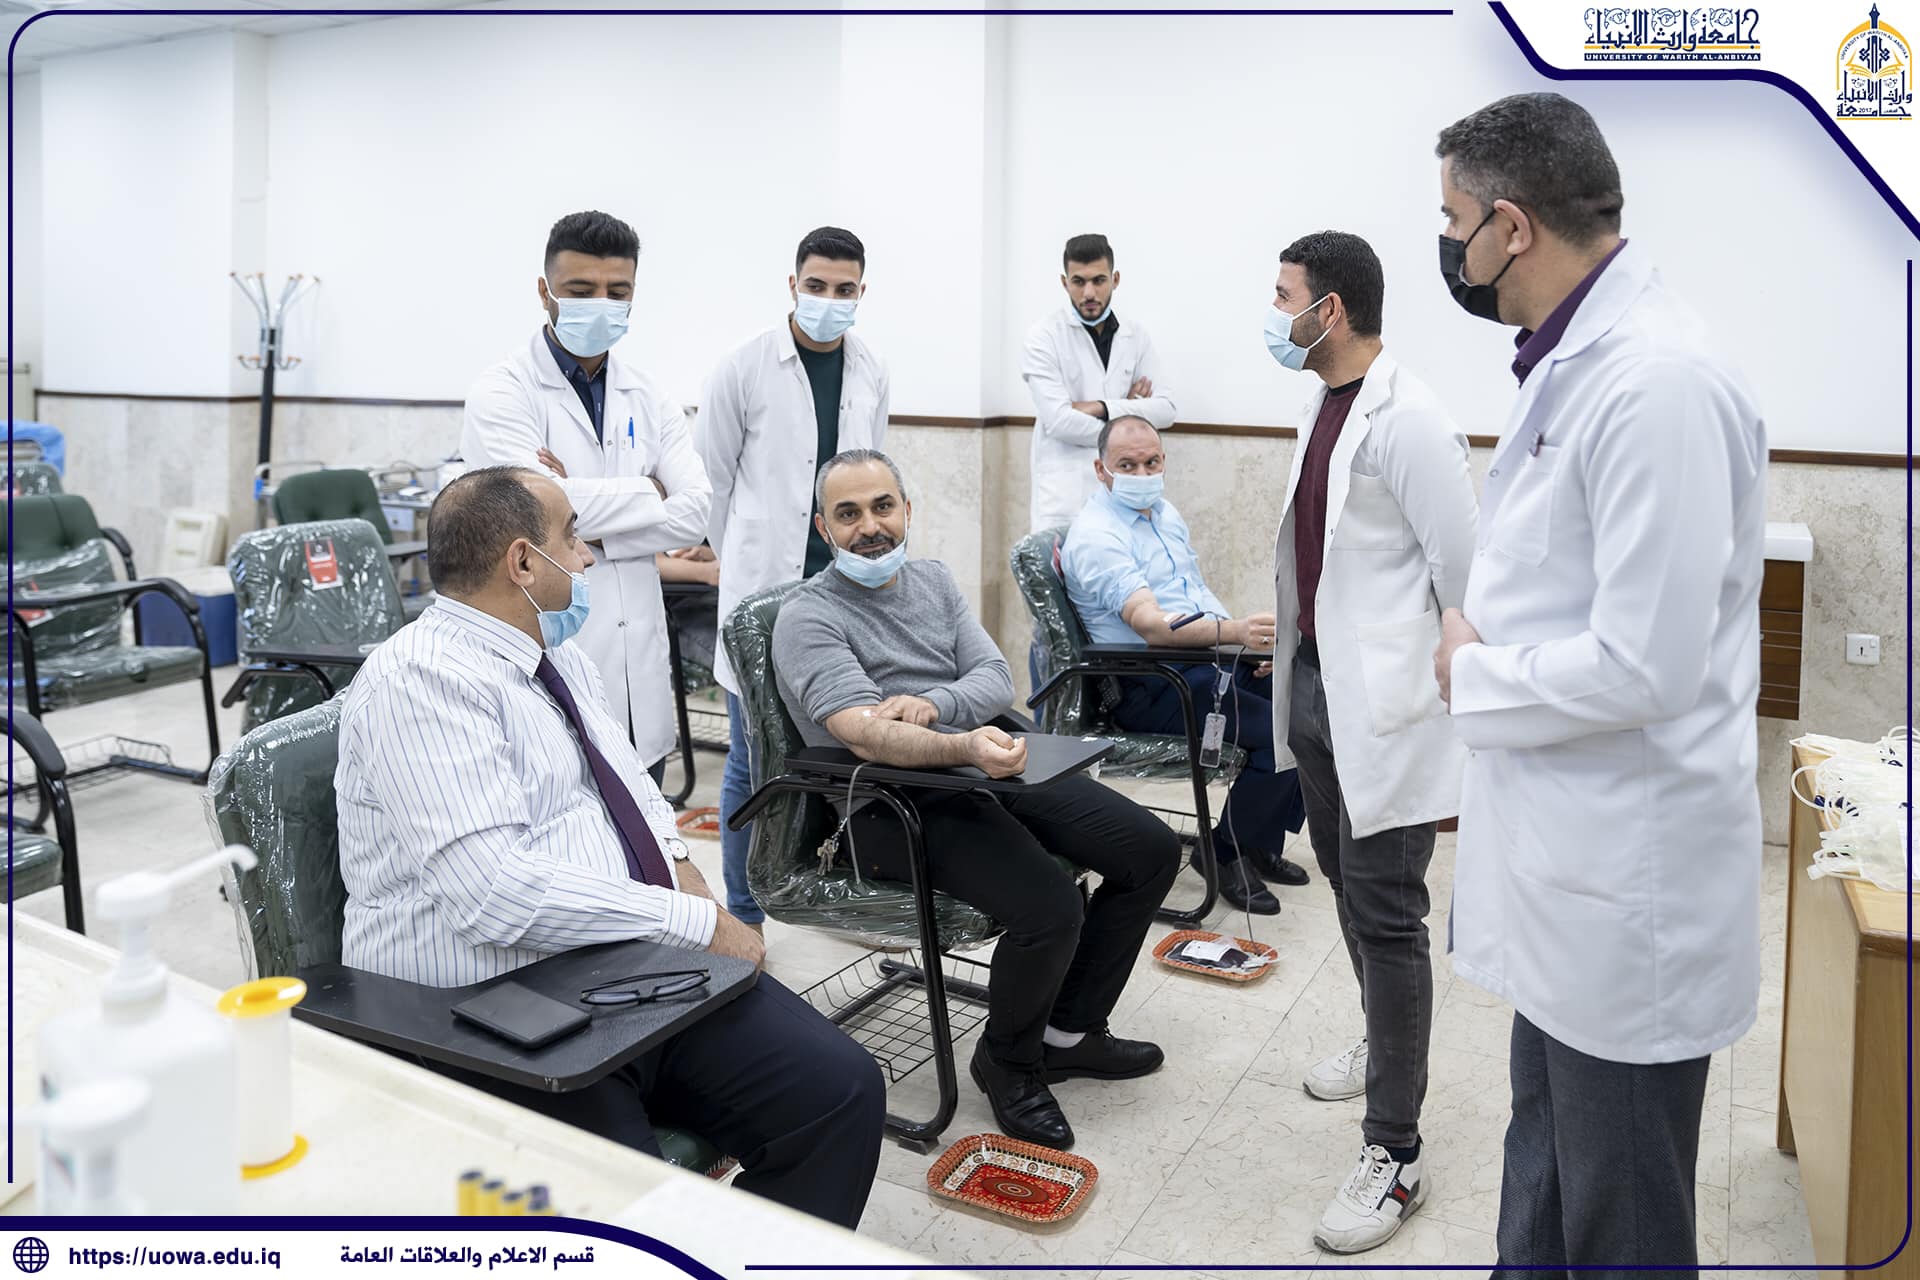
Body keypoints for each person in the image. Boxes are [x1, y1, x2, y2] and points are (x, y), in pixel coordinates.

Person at [334, 466, 884, 1228]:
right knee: (631, 1211)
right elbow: (495, 895)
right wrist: (692, 923)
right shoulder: (420, 682)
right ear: (523, 562)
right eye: (573, 539)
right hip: (487, 1004)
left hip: (612, 962)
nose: (587, 556)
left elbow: (632, 788)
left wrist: (684, 873)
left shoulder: (555, 657)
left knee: (841, 1090)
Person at [1430, 93, 1765, 1275]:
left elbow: (1646, 663)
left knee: (1619, 1214)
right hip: (1568, 875)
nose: (1449, 246)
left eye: (1453, 221)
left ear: (1512, 227)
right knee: (1545, 1162)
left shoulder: (1655, 380)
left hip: (1627, 896)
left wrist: (1471, 669)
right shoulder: (1572, 359)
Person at [772, 448, 1175, 1152]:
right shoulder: (808, 616)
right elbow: (864, 734)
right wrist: (960, 739)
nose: (870, 527)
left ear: (906, 509)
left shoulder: (931, 579)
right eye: (848, 514)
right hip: (890, 805)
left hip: (979, 765)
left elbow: (993, 676)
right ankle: (1008, 1063)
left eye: (883, 506)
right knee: (1050, 907)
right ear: (823, 528)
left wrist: (932, 707)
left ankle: (1068, 1032)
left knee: (1151, 851)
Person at [1261, 231, 1479, 1252]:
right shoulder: (1325, 403)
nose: (1275, 316)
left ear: (1331, 309)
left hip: (1385, 708)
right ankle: (1380, 1040)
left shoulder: (1413, 417)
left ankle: (1396, 1152)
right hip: (1316, 691)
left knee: (1388, 915)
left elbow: (1463, 575)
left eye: (1284, 297)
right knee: (1347, 886)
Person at [461, 210, 711, 782]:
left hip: (638, 670)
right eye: (580, 291)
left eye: (616, 292)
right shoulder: (502, 392)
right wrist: (651, 489)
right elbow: (527, 515)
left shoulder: (649, 394)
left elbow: (695, 512)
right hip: (545, 654)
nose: (601, 304)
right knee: (561, 807)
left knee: (644, 811)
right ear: (544, 291)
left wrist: (574, 510)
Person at [699, 226, 890, 934]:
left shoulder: (871, 368)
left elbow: (871, 477)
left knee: (839, 752)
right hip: (762, 595)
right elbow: (712, 483)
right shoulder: (744, 366)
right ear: (792, 284)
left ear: (862, 292)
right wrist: (742, 562)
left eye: (844, 290)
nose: (829, 300)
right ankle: (744, 914)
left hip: (842, 595)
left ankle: (825, 888)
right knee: (752, 759)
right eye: (816, 286)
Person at [1058, 417, 1309, 914]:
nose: (1142, 473)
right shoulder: (1096, 537)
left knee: (1306, 703)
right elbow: (1151, 626)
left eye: (1151, 462)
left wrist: (1245, 652)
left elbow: (1196, 595)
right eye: (1127, 465)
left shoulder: (1164, 514)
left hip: (1200, 663)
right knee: (1284, 731)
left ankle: (1258, 841)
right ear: (1101, 470)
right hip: (1151, 682)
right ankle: (1224, 853)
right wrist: (1234, 633)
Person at [1023, 234, 1178, 688]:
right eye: (1078, 282)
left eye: (1097, 280)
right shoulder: (1044, 338)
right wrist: (1130, 412)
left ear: (1115, 278)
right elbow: (1058, 421)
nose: (1089, 292)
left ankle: (1112, 712)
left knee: (1118, 616)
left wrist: (1100, 407)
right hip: (1064, 499)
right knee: (1055, 626)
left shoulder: (1136, 335)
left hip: (1120, 500)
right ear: (1064, 282)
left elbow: (1167, 409)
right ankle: (1053, 713)